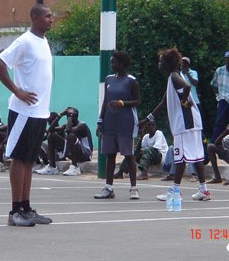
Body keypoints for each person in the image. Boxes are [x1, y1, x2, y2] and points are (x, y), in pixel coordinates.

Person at [0, 4, 54, 227]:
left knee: (29, 159)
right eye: (47, 16)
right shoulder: (24, 41)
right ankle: (15, 211)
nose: (51, 19)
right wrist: (17, 91)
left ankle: (26, 208)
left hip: (39, 112)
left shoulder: (43, 42)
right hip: (24, 111)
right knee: (19, 158)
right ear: (35, 17)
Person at [140, 47, 211, 202]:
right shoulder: (172, 78)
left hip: (184, 123)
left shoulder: (173, 76)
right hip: (193, 122)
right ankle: (204, 191)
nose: (159, 63)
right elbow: (164, 102)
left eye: (160, 61)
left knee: (180, 158)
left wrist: (184, 101)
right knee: (197, 157)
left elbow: (186, 87)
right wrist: (147, 119)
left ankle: (175, 192)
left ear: (167, 63)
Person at [94, 50, 141, 200]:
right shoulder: (109, 80)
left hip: (126, 123)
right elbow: (105, 101)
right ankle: (109, 188)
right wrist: (100, 121)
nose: (112, 65)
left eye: (114, 62)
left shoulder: (131, 81)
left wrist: (122, 103)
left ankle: (133, 188)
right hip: (110, 123)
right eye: (111, 62)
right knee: (110, 155)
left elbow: (138, 101)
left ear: (122, 63)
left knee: (128, 155)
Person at [36, 107, 93, 176]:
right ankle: (52, 167)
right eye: (67, 116)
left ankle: (75, 167)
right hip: (75, 153)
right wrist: (60, 115)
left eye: (69, 116)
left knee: (70, 136)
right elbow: (50, 130)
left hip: (85, 155)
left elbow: (68, 130)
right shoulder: (67, 125)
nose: (67, 118)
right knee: (51, 135)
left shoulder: (82, 125)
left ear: (74, 116)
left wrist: (70, 115)